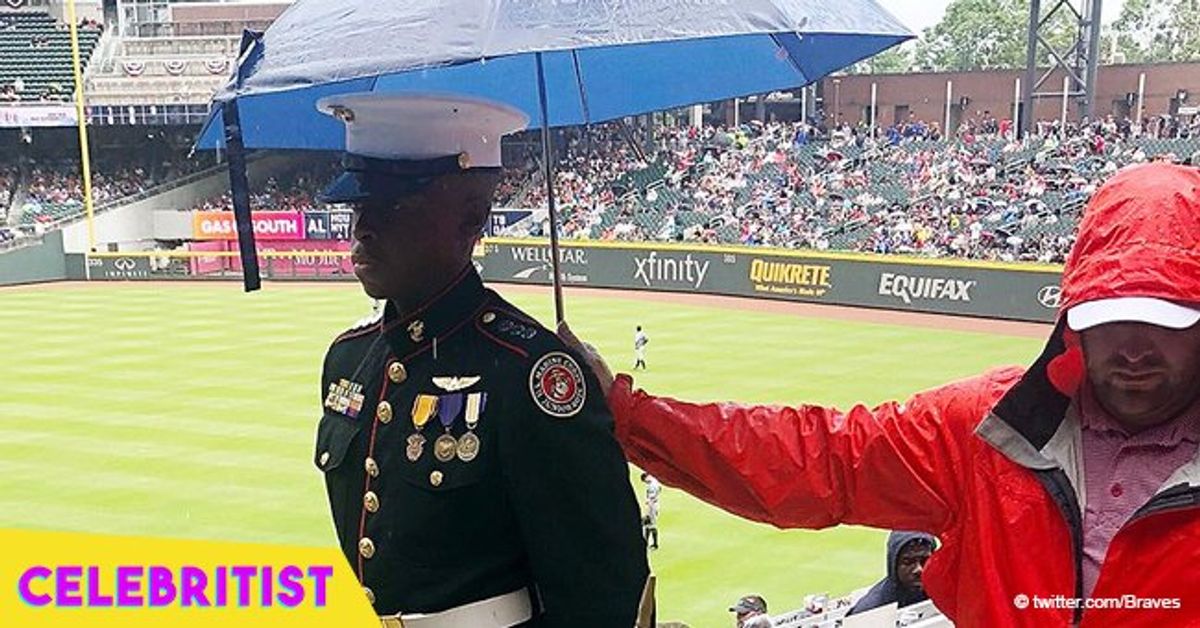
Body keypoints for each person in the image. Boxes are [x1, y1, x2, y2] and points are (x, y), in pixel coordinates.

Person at [561, 162, 1200, 626]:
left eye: (1167, 321)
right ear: (1072, 317)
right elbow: (817, 459)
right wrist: (625, 413)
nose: (1136, 348)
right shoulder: (986, 428)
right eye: (1110, 318)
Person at [314, 92, 649, 627]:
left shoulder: (528, 372)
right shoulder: (349, 360)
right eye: (359, 204)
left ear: (472, 218)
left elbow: (603, 597)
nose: (363, 227)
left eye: (395, 204)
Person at [845, 531, 935, 616]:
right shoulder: (869, 611)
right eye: (908, 562)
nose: (918, 569)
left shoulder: (944, 593)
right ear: (893, 565)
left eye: (925, 560)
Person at [641, 472, 661, 550]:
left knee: (651, 524)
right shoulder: (654, 481)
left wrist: (649, 509)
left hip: (652, 506)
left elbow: (652, 498)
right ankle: (646, 542)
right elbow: (660, 489)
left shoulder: (652, 485)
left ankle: (655, 544)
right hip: (652, 505)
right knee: (648, 525)